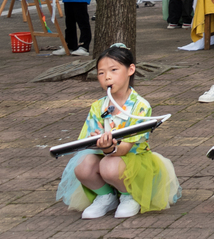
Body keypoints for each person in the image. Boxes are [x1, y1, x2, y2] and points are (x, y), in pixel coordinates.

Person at [56, 44, 181, 218]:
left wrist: (108, 147)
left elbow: (125, 148)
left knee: (109, 165)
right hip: (104, 153)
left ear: (130, 70)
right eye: (101, 73)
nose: (107, 77)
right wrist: (95, 140)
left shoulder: (140, 106)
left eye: (113, 70)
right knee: (82, 166)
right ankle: (106, 196)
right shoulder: (98, 106)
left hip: (132, 158)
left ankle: (129, 196)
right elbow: (86, 141)